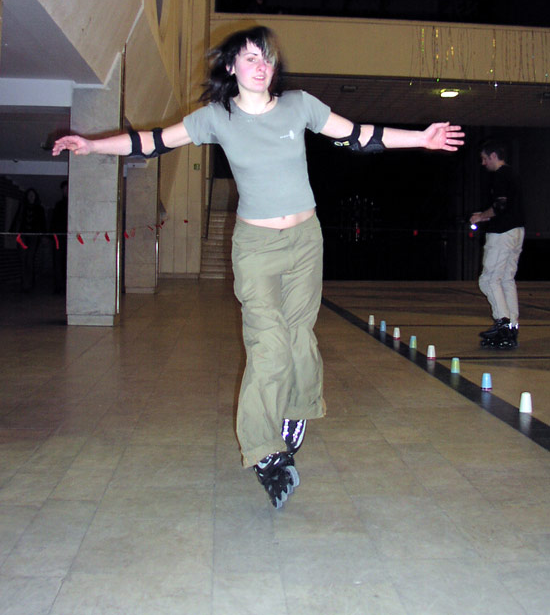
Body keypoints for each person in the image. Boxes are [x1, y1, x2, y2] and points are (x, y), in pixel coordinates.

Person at [52, 25, 464, 508]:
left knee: (300, 339)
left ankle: (296, 409)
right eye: (249, 57)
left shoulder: (299, 105)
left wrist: (421, 138)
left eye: (266, 57)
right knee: (268, 346)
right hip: (256, 248)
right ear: (231, 67)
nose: (260, 65)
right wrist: (92, 145)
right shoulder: (216, 117)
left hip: (306, 241)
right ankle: (266, 451)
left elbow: (358, 136)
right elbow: (152, 142)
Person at [470, 138, 524, 349]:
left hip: (502, 233)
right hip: (517, 231)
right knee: (506, 279)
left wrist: (481, 216)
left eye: (484, 158)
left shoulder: (501, 175)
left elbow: (501, 205)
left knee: (489, 280)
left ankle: (502, 323)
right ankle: (512, 325)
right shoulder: (514, 174)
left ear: (493, 156)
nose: (483, 163)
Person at [10, 187, 47, 292]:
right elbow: (17, 219)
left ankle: (29, 284)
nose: (31, 197)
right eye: (29, 195)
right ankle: (24, 284)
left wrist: (43, 235)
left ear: (35, 197)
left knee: (30, 259)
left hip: (34, 237)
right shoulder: (23, 207)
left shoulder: (39, 209)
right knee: (23, 259)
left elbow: (42, 222)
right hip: (23, 236)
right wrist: (13, 231)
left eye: (32, 195)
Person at [50, 179, 68, 294]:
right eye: (65, 189)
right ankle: (59, 286)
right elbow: (54, 221)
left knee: (67, 262)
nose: (66, 191)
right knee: (58, 261)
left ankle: (67, 286)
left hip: (70, 238)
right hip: (59, 238)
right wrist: (52, 236)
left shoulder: (74, 204)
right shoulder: (58, 205)